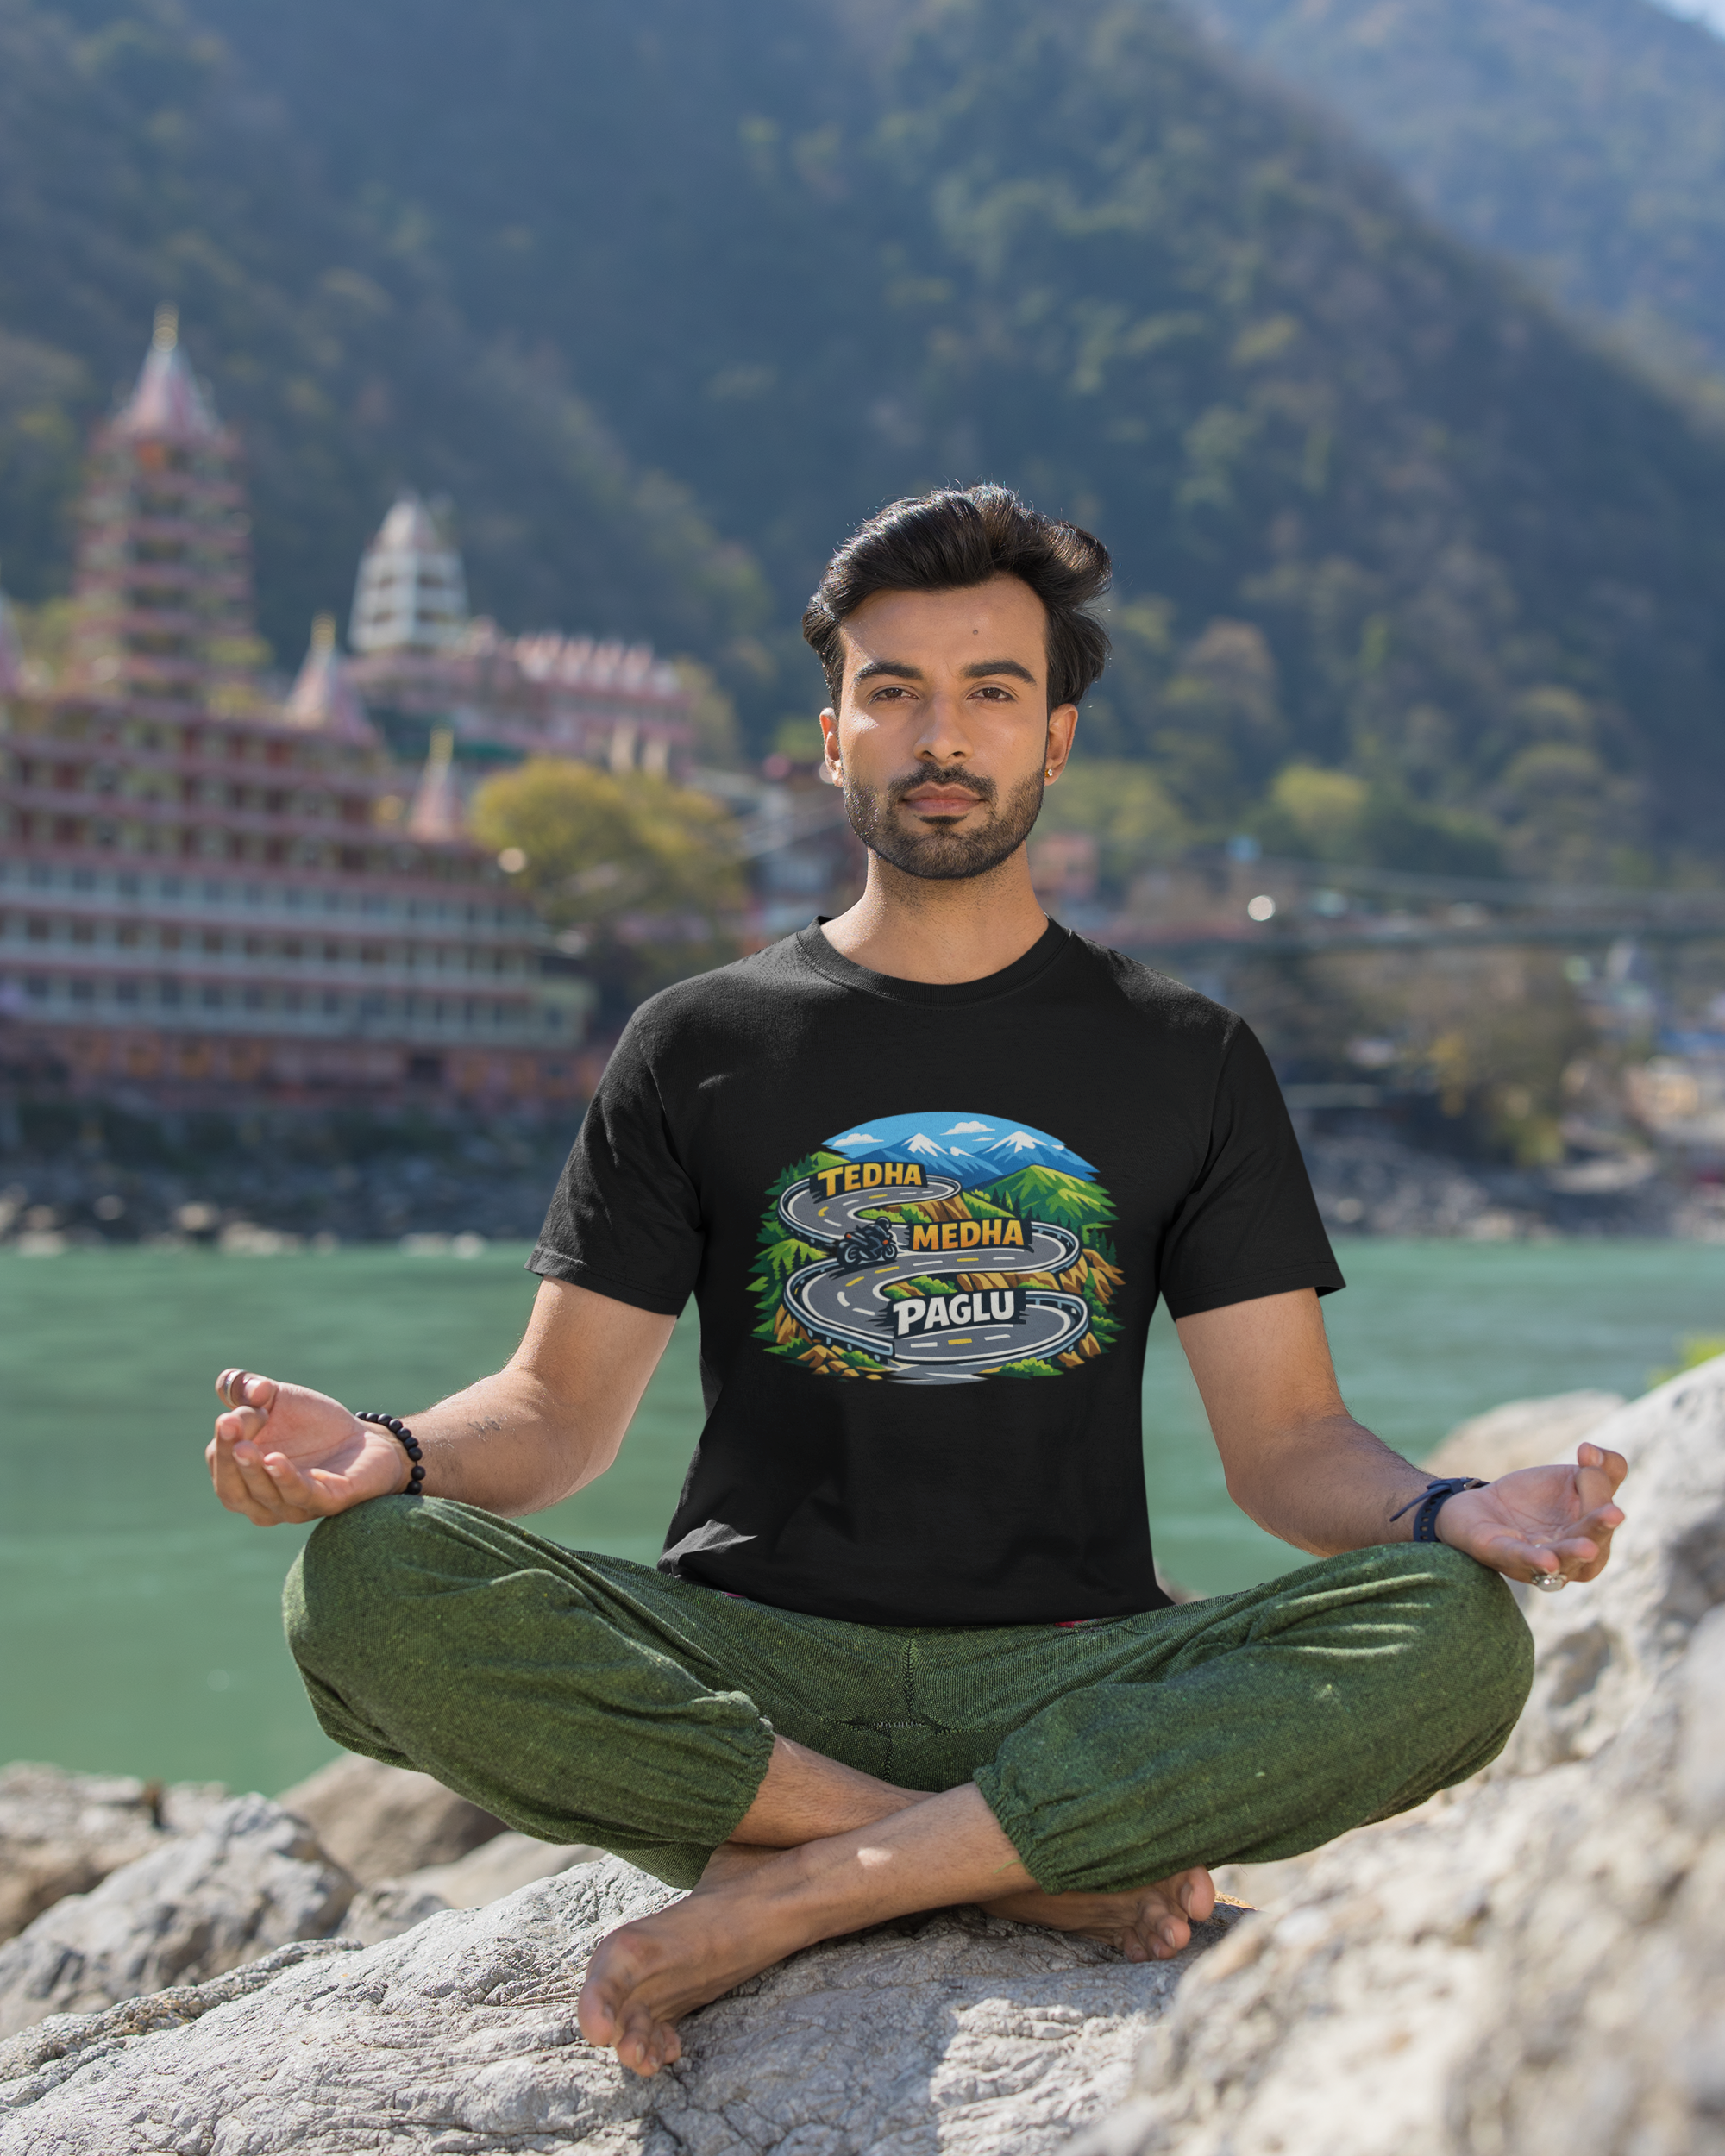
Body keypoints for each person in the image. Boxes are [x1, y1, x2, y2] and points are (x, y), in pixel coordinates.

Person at [207, 486, 1627, 2081]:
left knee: (1460, 1638)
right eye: (893, 693)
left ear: (1056, 741)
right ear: (832, 737)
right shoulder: (698, 1042)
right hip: (754, 1675)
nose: (939, 735)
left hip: (1069, 1670)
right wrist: (382, 1457)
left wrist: (1451, 1514)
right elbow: (553, 1415)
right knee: (359, 1585)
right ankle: (1008, 1868)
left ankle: (797, 1891)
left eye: (991, 692)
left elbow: (1288, 1450)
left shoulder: (1189, 1057)